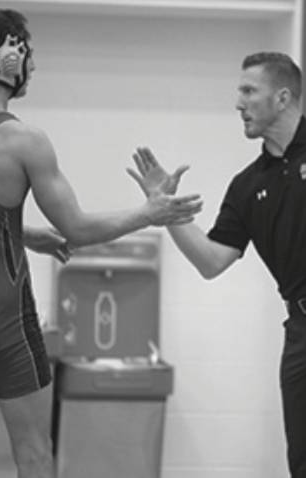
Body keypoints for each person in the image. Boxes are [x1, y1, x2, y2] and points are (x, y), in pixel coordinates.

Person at [0, 7, 202, 478]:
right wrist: (149, 213)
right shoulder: (23, 140)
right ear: (8, 58)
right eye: (29, 56)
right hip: (3, 312)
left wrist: (21, 232)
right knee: (33, 454)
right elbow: (77, 229)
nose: (33, 67)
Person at [130, 51, 306, 478]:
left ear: (282, 98)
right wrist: (167, 213)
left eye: (249, 91)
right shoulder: (247, 186)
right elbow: (211, 261)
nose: (238, 103)